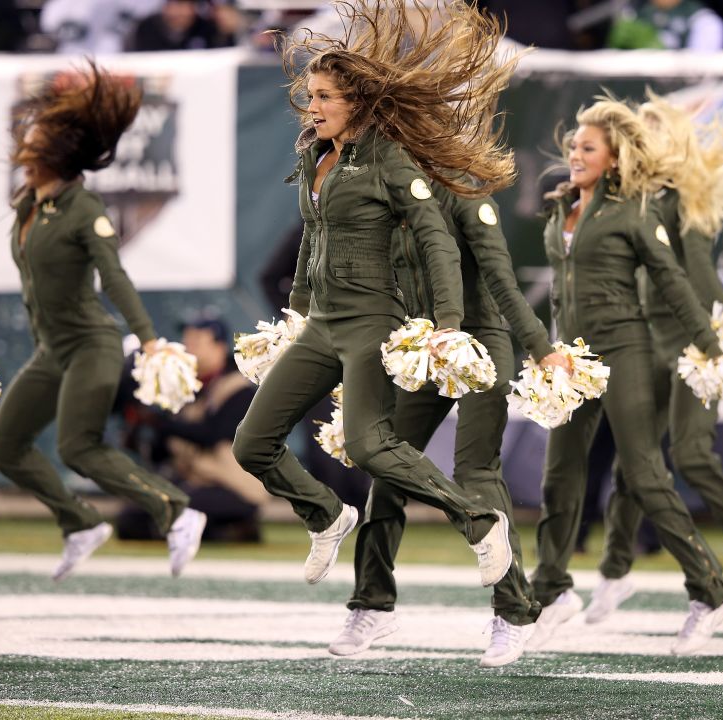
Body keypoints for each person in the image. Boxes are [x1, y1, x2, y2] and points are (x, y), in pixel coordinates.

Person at [231, 0, 520, 598]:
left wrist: (446, 324)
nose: (311, 109)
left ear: (356, 103)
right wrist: (297, 314)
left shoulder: (389, 157)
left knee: (368, 446)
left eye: (323, 98)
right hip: (322, 327)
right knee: (252, 443)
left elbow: (437, 239)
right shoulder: (315, 157)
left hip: (371, 323)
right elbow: (312, 241)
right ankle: (326, 516)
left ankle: (478, 520)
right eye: (309, 97)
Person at [329, 177, 570, 667]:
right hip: (423, 348)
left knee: (477, 471)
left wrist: (540, 348)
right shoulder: (384, 193)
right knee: (388, 464)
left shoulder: (464, 196)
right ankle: (372, 603)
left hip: (480, 340)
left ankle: (513, 613)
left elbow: (502, 282)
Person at [528, 99, 723, 656]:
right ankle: (549, 590)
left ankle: (709, 589)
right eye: (573, 145)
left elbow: (672, 282)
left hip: (624, 349)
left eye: (587, 147)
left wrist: (712, 346)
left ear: (615, 158)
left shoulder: (634, 210)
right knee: (560, 476)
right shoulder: (561, 206)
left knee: (644, 474)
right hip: (572, 357)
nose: (574, 153)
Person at [0, 62, 207, 582]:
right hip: (52, 350)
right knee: (5, 446)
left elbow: (115, 276)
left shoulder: (84, 208)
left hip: (92, 345)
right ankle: (80, 523)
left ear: (54, 155)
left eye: (34, 144)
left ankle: (177, 511)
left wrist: (150, 340)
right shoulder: (27, 208)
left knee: (78, 446)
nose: (23, 151)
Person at [585, 94, 723, 625]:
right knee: (637, 461)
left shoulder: (681, 197)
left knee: (693, 455)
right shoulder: (640, 197)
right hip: (650, 338)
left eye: (646, 134)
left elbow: (698, 274)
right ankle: (612, 573)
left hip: (694, 339)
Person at [115, 314, 268, 543]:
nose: (188, 346)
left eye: (197, 340)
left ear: (220, 347)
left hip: (234, 490)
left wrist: (159, 421)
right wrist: (139, 427)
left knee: (179, 508)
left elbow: (211, 434)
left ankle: (233, 527)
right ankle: (219, 532)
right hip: (194, 484)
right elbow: (162, 453)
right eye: (187, 340)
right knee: (131, 517)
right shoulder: (186, 390)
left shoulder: (240, 389)